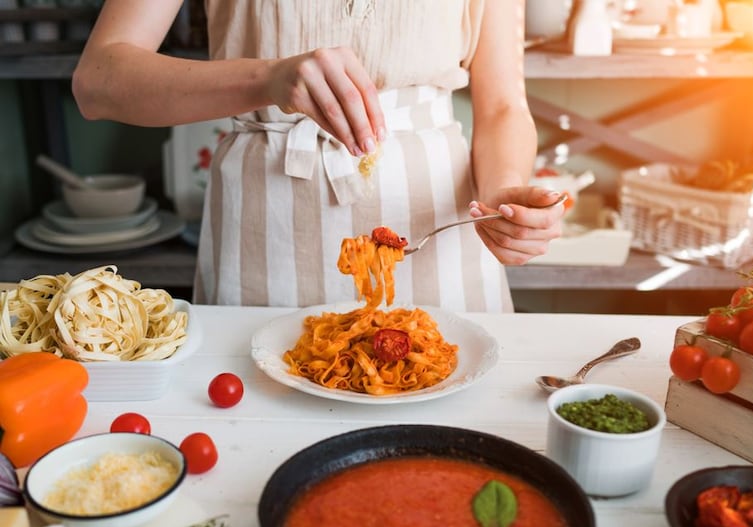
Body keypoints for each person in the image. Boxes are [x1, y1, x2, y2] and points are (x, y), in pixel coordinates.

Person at [72, 0, 565, 312]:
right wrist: (267, 79)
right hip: (266, 215)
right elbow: (98, 82)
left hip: (437, 222)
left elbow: (502, 106)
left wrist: (502, 194)